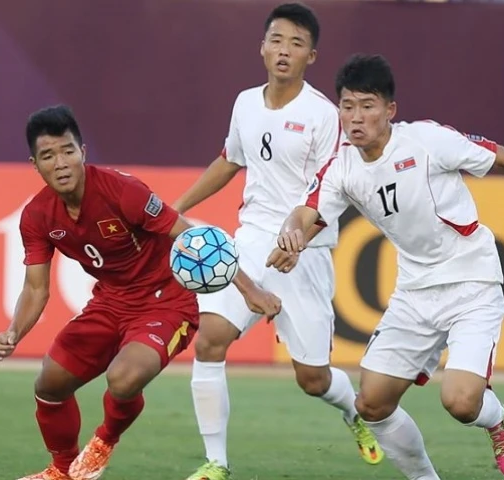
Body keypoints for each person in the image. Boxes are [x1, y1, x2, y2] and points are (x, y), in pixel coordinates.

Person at [276, 53, 504, 479]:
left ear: (390, 110)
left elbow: (503, 159)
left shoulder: (427, 141)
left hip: (472, 282)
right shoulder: (342, 167)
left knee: (461, 402)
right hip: (414, 292)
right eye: (347, 106)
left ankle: (498, 422)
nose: (355, 117)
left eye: (367, 105)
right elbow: (306, 212)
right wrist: (292, 236)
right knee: (371, 404)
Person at [0, 105, 281, 480]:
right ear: (35, 164)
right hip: (110, 301)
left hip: (167, 302)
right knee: (49, 384)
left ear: (83, 152)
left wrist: (249, 289)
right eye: (48, 156)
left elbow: (192, 237)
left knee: (123, 379)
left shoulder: (123, 191)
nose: (60, 163)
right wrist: (14, 331)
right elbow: (35, 287)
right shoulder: (36, 215)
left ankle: (104, 441)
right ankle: (63, 471)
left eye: (67, 151)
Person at [173, 4, 383, 480]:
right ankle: (216, 463)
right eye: (277, 40)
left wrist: (299, 239)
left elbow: (336, 190)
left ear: (312, 56)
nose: (284, 50)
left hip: (304, 252)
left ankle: (353, 412)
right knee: (209, 341)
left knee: (313, 379)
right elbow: (230, 160)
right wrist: (176, 206)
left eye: (296, 43)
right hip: (250, 240)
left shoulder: (324, 115)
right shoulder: (245, 102)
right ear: (262, 47)